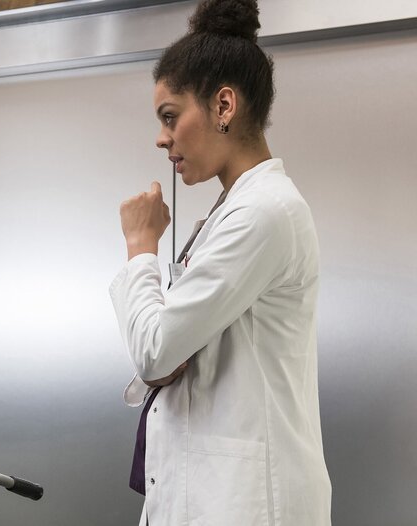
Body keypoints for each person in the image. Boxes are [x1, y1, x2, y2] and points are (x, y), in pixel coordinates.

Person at [110, 0, 332, 524]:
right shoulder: (233, 210)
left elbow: (156, 351)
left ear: (224, 106)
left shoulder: (264, 211)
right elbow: (168, 356)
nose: (162, 138)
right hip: (209, 495)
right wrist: (166, 349)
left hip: (246, 502)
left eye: (170, 116)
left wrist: (142, 246)